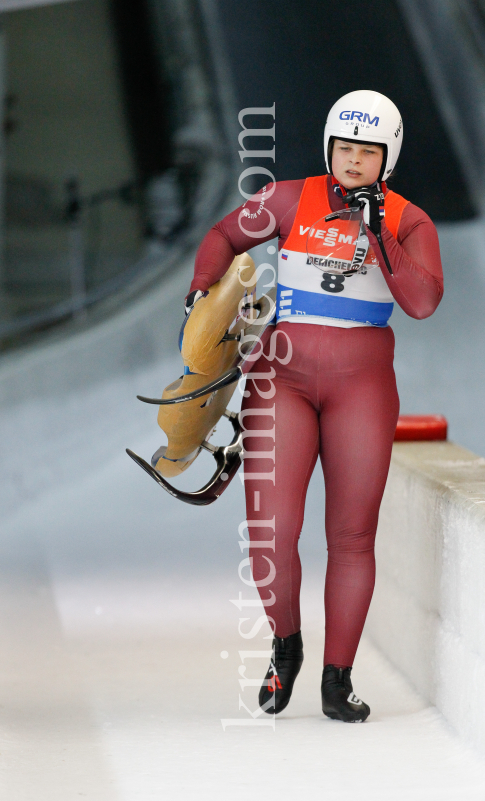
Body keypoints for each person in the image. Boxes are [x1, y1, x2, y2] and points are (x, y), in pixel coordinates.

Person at [186, 90, 443, 721]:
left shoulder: (410, 221)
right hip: (282, 382)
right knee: (273, 529)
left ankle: (338, 676)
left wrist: (378, 227)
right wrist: (199, 297)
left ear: (390, 156)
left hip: (363, 387)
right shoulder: (289, 198)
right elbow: (223, 235)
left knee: (351, 535)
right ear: (329, 147)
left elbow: (423, 301)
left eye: (368, 151)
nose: (354, 161)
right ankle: (286, 646)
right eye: (345, 147)